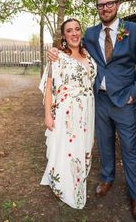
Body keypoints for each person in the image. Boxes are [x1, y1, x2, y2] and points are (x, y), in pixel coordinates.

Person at [48, 0, 136, 220]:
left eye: (109, 4)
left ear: (117, 5)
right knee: (104, 144)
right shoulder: (91, 33)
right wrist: (54, 50)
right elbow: (73, 48)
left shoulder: (134, 30)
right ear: (97, 8)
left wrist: (134, 93)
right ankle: (107, 178)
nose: (105, 8)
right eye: (100, 5)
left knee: (130, 149)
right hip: (99, 101)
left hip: (125, 101)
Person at [39, 18, 97, 209]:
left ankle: (77, 182)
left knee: (84, 148)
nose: (74, 33)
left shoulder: (88, 55)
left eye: (77, 29)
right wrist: (48, 115)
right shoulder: (58, 57)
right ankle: (64, 188)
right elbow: (49, 88)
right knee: (68, 150)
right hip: (67, 112)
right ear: (64, 36)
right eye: (69, 31)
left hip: (87, 110)